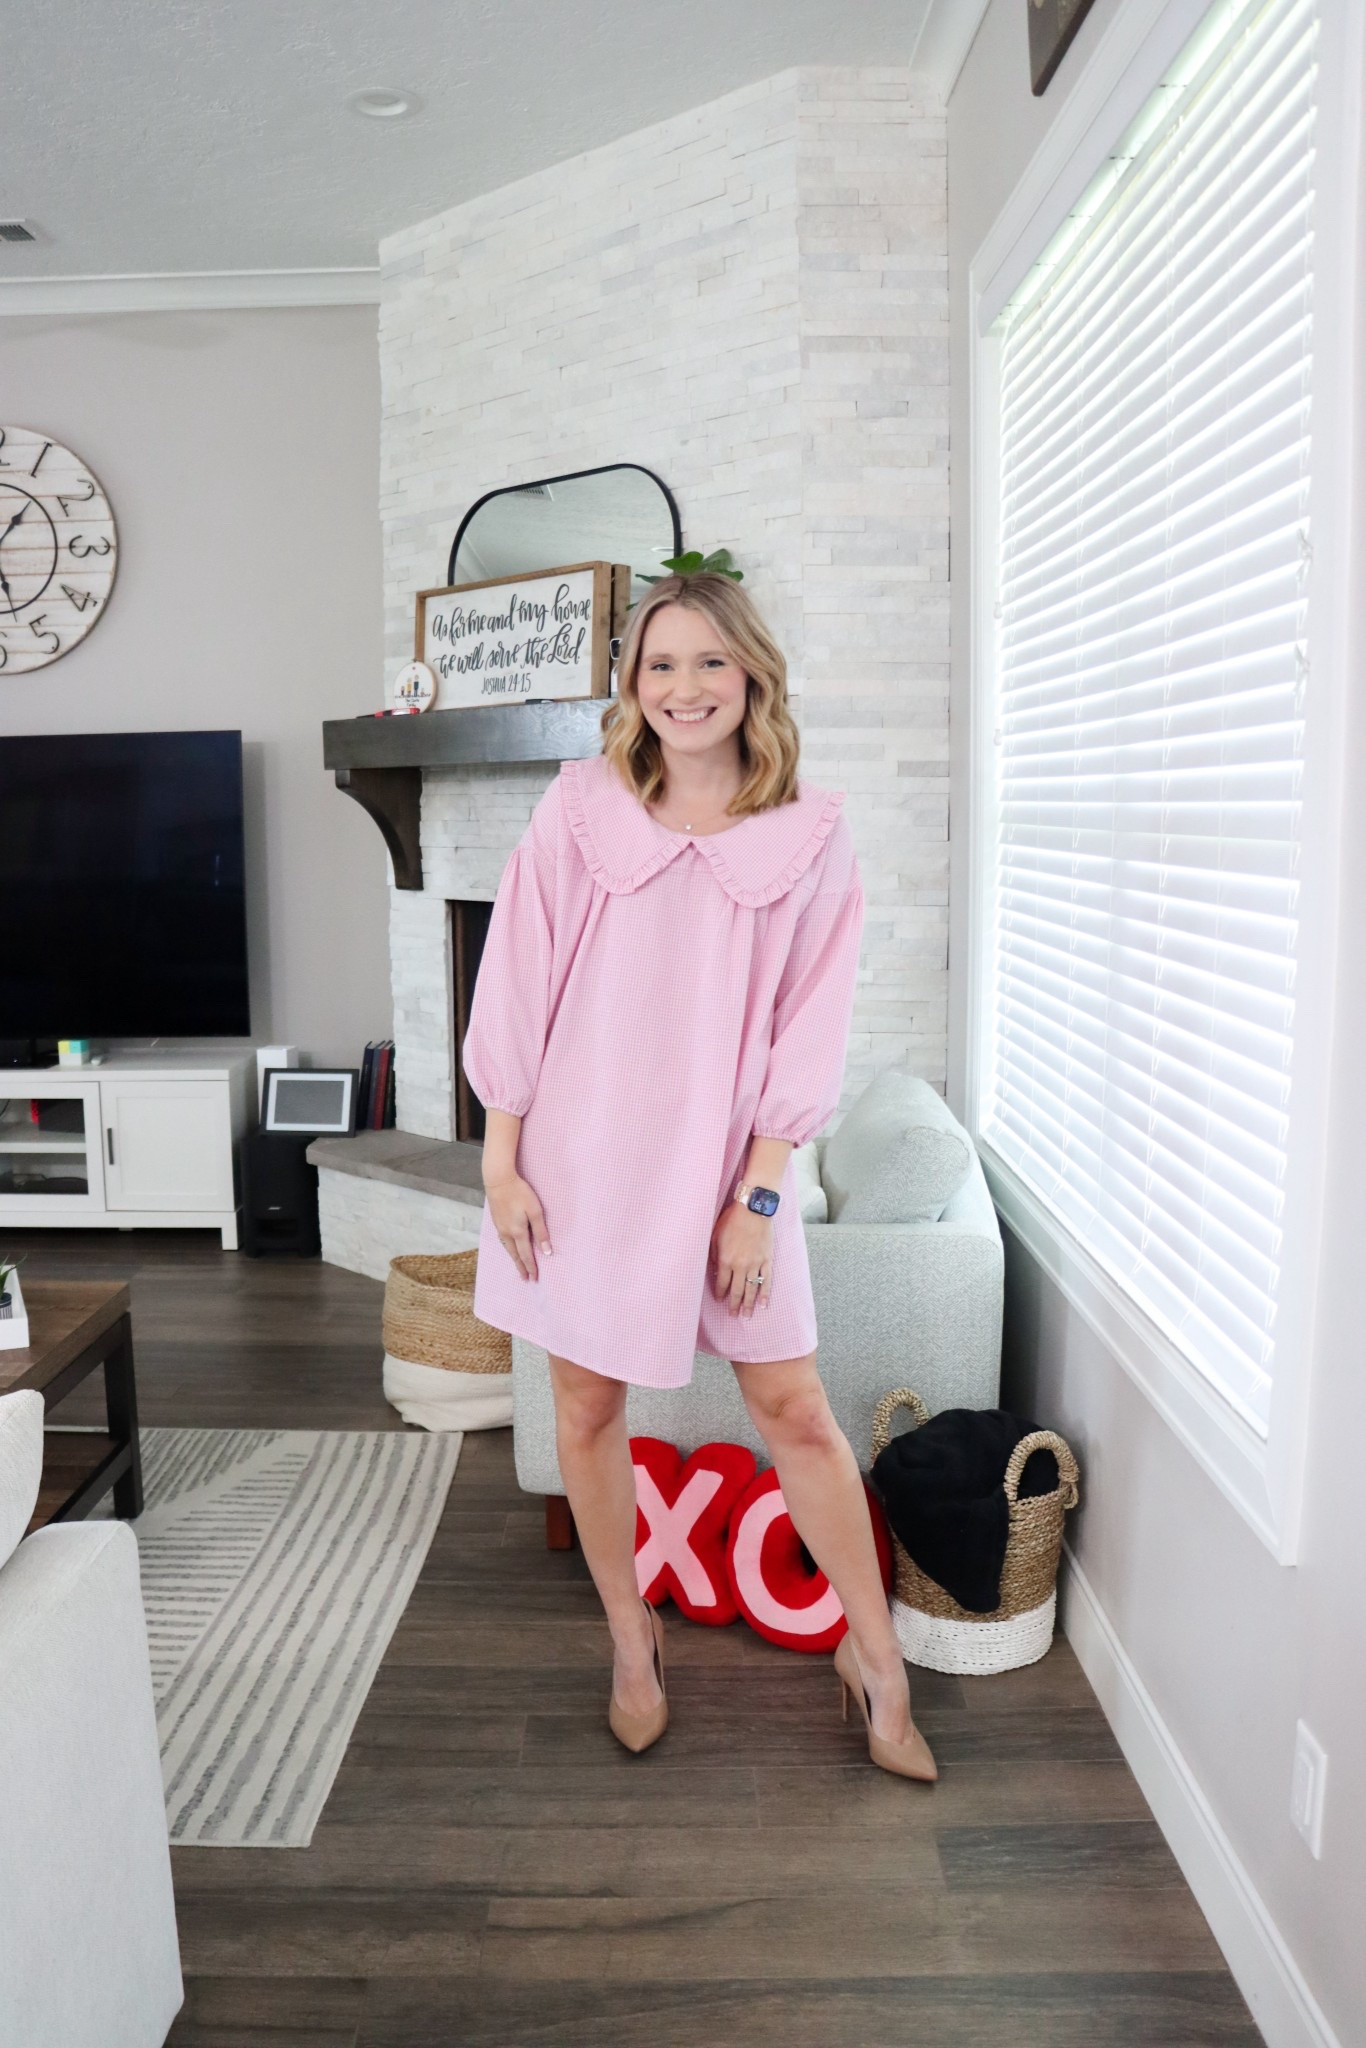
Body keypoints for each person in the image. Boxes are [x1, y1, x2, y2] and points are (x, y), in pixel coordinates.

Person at [462, 571, 936, 1781]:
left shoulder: (812, 838)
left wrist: (759, 1194)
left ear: (754, 678)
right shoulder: (577, 813)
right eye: (660, 664)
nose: (685, 688)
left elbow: (808, 1031)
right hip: (580, 1168)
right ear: (632, 684)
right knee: (584, 1408)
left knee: (796, 1414)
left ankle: (875, 1658)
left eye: (711, 663)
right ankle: (632, 1639)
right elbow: (516, 987)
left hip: (730, 1175)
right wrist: (501, 1166)